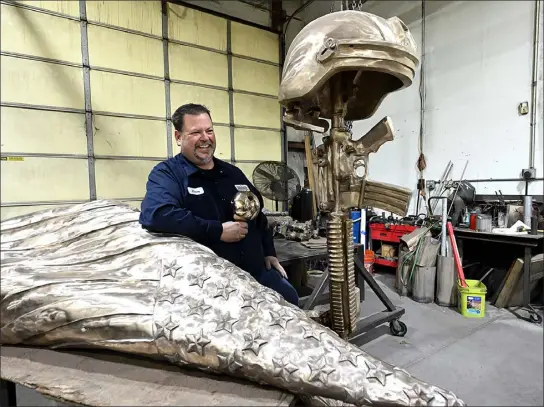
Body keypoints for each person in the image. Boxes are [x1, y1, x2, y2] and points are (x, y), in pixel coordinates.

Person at [139, 103, 299, 306]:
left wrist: (269, 250)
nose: (205, 138)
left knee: (290, 301)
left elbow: (257, 213)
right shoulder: (168, 174)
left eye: (209, 131)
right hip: (211, 287)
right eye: (196, 132)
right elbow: (157, 215)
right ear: (179, 137)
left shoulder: (232, 173)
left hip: (256, 274)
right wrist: (217, 231)